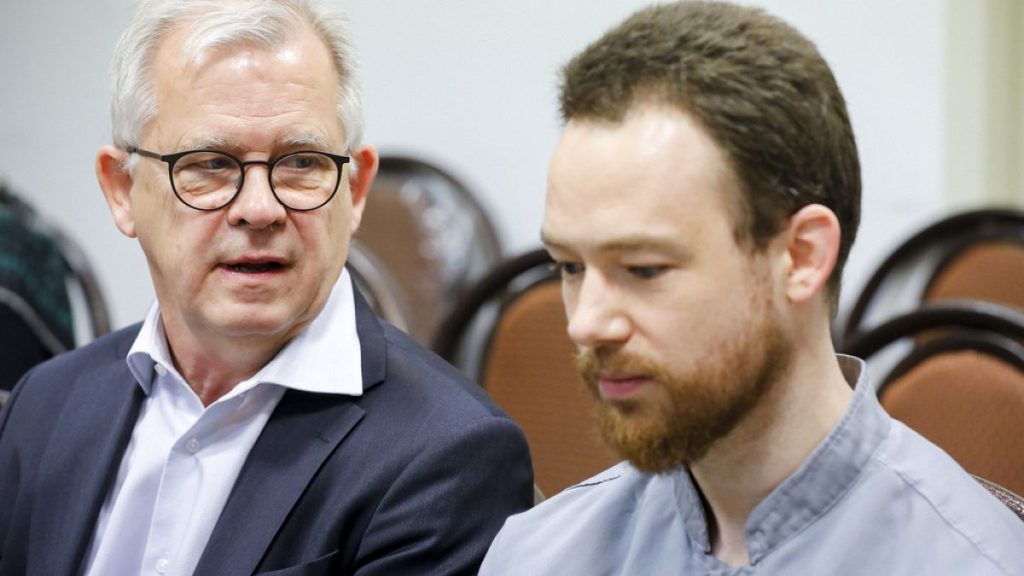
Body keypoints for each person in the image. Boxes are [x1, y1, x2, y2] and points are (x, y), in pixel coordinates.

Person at [481, 2, 1024, 574]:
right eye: (569, 267)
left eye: (643, 269)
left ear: (800, 256)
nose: (585, 323)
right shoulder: (538, 555)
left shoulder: (971, 561)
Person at [0, 1, 533, 574]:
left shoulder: (448, 457)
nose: (259, 209)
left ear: (354, 192)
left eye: (301, 161)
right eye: (209, 163)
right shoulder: (45, 404)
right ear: (123, 190)